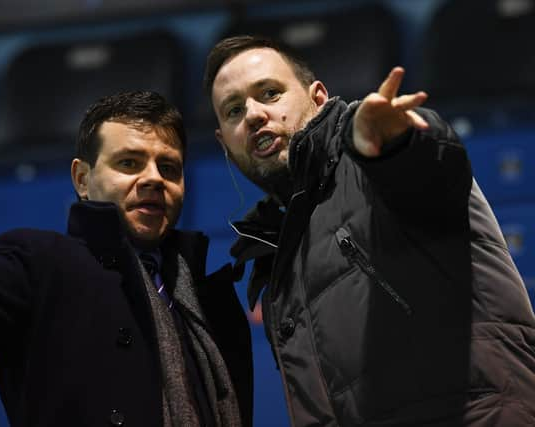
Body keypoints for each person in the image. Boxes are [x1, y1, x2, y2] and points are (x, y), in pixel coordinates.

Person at [203, 35, 535, 426]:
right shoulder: (274, 252)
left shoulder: (368, 155)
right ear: (224, 142)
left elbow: (428, 164)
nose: (255, 114)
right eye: (234, 110)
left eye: (271, 94)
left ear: (319, 97)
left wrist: (390, 145)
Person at [0, 91, 253, 427]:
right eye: (129, 163)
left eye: (169, 168)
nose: (153, 179)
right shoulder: (43, 263)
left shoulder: (209, 294)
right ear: (83, 179)